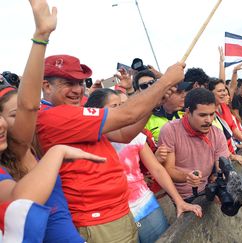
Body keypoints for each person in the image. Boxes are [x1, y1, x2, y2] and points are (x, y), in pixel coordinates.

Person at [37, 49, 185, 241]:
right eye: (68, 83)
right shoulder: (53, 117)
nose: (77, 90)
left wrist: (155, 102)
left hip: (117, 213)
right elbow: (127, 115)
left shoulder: (73, 114)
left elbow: (124, 134)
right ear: (46, 86)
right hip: (98, 220)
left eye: (80, 83)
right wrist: (165, 81)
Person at [0, 1, 105, 242]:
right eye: (13, 115)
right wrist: (40, 38)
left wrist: (42, 37)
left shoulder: (23, 149)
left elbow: (29, 107)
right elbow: (20, 200)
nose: (30, 120)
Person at [85, 88, 202, 243]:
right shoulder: (86, 142)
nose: (122, 110)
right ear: (96, 111)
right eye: (115, 106)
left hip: (146, 206)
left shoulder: (135, 136)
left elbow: (158, 169)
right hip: (113, 218)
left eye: (123, 105)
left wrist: (179, 201)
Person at [158, 88, 230, 201]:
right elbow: (169, 170)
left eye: (212, 114)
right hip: (180, 198)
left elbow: (221, 165)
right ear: (187, 113)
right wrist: (188, 177)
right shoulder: (170, 131)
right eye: (202, 115)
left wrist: (219, 180)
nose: (209, 120)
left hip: (206, 190)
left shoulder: (218, 134)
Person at [207, 79, 242, 160]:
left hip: (232, 151)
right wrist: (233, 157)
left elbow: (232, 127)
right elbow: (214, 142)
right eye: (219, 91)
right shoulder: (208, 113)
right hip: (222, 158)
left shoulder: (223, 106)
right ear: (210, 93)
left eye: (224, 90)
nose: (224, 93)